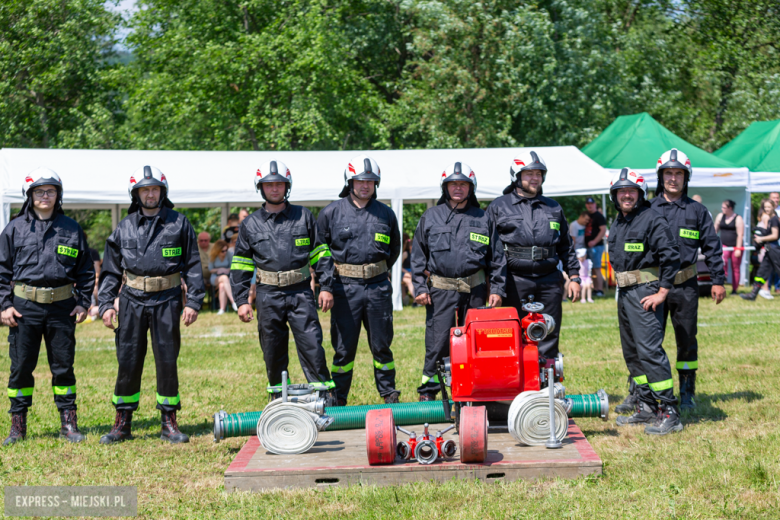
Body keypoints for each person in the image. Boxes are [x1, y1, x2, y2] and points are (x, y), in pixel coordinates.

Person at [98, 165, 205, 445]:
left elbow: (193, 265)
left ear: (162, 191)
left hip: (167, 300)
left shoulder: (179, 223)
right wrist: (107, 303)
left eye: (154, 188)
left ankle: (169, 420)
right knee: (128, 360)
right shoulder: (124, 226)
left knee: (167, 360)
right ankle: (122, 421)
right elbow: (110, 270)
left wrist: (193, 301)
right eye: (144, 189)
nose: (150, 194)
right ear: (136, 194)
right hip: (131, 301)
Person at [0, 169, 95, 445]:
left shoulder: (71, 228)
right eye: (40, 191)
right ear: (29, 195)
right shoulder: (14, 229)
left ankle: (68, 423)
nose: (45, 196)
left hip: (62, 309)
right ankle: (18, 426)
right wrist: (5, 304)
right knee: (20, 368)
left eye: (51, 191)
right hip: (23, 309)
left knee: (63, 367)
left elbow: (86, 271)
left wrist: (83, 302)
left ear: (58, 195)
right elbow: (2, 271)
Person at [230, 160, 334, 401]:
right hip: (268, 294)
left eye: (279, 184)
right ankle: (278, 399)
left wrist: (326, 286)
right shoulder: (250, 224)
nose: (274, 189)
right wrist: (242, 300)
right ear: (261, 188)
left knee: (312, 345)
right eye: (269, 185)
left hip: (300, 292)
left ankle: (324, 397)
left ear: (287, 186)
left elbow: (321, 254)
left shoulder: (304, 216)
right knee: (273, 349)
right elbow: (241, 265)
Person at [633, 149, 724, 412]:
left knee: (686, 339)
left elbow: (712, 247)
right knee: (649, 340)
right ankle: (644, 394)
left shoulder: (697, 211)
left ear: (686, 177)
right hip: (651, 286)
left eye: (678, 173)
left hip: (685, 287)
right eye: (668, 173)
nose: (673, 178)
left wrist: (718, 280)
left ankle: (687, 391)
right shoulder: (646, 207)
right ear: (661, 177)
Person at [411, 163, 506, 401]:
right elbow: (417, 255)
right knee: (438, 340)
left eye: (463, 184)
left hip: (475, 290)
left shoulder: (483, 218)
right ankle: (429, 390)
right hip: (440, 290)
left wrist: (497, 288)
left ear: (471, 188)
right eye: (453, 184)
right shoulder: (431, 216)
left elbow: (497, 256)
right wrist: (420, 287)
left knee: (474, 339)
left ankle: (473, 387)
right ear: (445, 187)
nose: (458, 188)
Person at [314, 155, 401, 406]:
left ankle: (388, 393)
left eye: (371, 181)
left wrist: (375, 272)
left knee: (382, 345)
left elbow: (394, 250)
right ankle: (339, 398)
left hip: (378, 289)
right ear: (349, 182)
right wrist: (327, 287)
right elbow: (321, 253)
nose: (365, 185)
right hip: (344, 289)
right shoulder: (331, 213)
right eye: (360, 181)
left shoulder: (386, 214)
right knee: (343, 348)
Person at [608, 168, 682, 435]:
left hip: (645, 291)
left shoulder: (652, 219)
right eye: (621, 191)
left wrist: (663, 292)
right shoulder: (619, 221)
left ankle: (669, 411)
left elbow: (671, 256)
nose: (626, 195)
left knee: (650, 351)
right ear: (614, 195)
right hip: (625, 293)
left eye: (631, 191)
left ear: (640, 194)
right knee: (633, 353)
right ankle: (646, 405)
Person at [487, 151, 581, 362]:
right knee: (514, 333)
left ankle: (547, 386)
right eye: (529, 173)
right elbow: (492, 252)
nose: (535, 178)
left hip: (549, 281)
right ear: (517, 176)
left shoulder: (554, 207)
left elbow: (566, 245)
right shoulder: (498, 206)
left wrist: (574, 277)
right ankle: (517, 385)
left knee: (548, 332)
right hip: (514, 281)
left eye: (539, 173)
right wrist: (495, 287)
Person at [742, 202, 780, 301]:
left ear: (774, 207)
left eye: (769, 207)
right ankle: (753, 295)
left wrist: (761, 238)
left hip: (774, 250)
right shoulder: (771, 219)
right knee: (762, 272)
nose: (767, 209)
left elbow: (775, 236)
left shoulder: (774, 219)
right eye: (765, 207)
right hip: (769, 249)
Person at [714, 200, 743, 294]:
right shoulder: (720, 216)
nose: (722, 209)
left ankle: (735, 289)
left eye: (724, 207)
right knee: (723, 260)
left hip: (735, 246)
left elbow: (740, 234)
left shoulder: (738, 218)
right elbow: (714, 230)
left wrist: (738, 249)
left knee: (735, 268)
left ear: (730, 208)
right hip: (724, 245)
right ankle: (723, 278)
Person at [584, 197, 607, 296]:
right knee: (591, 268)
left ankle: (600, 290)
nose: (590, 205)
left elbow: (603, 230)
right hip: (588, 246)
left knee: (597, 268)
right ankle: (595, 289)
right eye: (588, 204)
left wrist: (594, 241)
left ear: (595, 205)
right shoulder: (587, 215)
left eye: (591, 204)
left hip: (596, 246)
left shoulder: (598, 216)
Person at [209, 240, 236, 314]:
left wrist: (227, 270)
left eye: (226, 250)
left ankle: (222, 309)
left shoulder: (229, 254)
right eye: (222, 251)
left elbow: (232, 266)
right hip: (215, 277)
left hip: (227, 277)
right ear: (218, 250)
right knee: (224, 278)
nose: (224, 252)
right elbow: (210, 269)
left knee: (222, 286)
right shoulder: (213, 256)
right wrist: (219, 270)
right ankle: (233, 301)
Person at [401, 233, 415, 305]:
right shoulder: (405, 254)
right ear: (410, 246)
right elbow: (400, 267)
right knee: (409, 280)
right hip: (403, 273)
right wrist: (407, 272)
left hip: (410, 273)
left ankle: (407, 298)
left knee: (411, 279)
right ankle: (416, 298)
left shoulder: (414, 255)